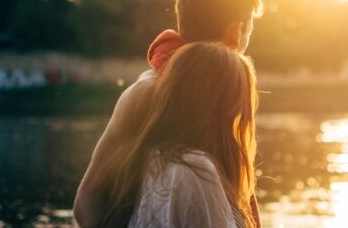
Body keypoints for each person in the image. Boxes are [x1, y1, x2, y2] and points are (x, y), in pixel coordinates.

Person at [74, 0, 263, 227]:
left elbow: (87, 203)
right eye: (250, 30)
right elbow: (87, 201)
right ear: (236, 33)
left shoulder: (219, 94)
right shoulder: (148, 94)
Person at [99, 42, 258, 227]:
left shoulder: (151, 158)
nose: (237, 117)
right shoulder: (196, 169)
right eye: (236, 107)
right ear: (221, 108)